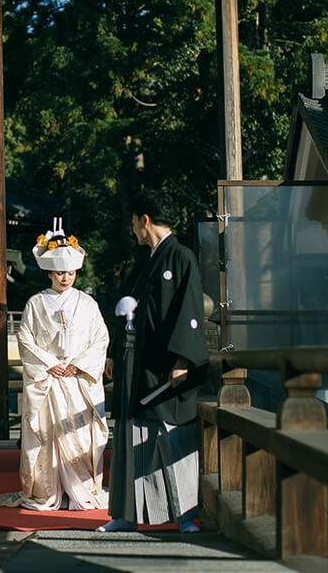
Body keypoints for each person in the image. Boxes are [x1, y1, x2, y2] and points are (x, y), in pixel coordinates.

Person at [97, 189, 209, 533]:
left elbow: (189, 312)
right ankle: (125, 514)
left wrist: (182, 359)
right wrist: (115, 351)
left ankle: (185, 515)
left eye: (134, 223)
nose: (134, 230)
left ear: (144, 221)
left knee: (171, 435)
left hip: (165, 364)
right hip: (137, 361)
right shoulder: (146, 260)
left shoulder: (180, 257)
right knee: (131, 435)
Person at [0, 217, 110, 511]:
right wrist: (50, 363)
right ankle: (46, 490)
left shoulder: (88, 304)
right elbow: (26, 339)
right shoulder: (36, 303)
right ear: (49, 273)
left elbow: (100, 338)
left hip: (78, 379)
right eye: (59, 273)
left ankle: (80, 488)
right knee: (47, 435)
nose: (65, 278)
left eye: (70, 273)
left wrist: (78, 364)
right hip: (49, 379)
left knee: (79, 435)